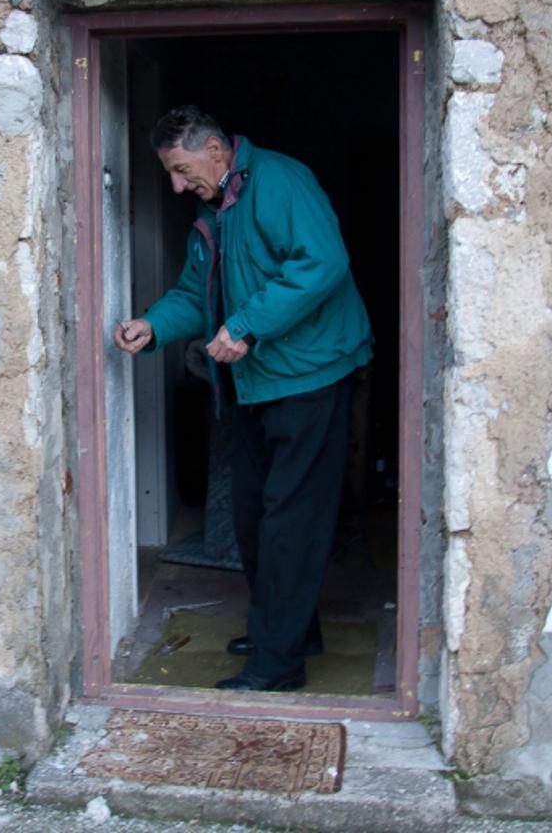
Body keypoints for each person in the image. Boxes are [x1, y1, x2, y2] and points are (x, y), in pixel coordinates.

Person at [113, 106, 373, 692]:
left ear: (214, 150)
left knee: (290, 522)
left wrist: (247, 324)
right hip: (253, 381)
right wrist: (153, 325)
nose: (177, 185)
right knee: (254, 517)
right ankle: (290, 633)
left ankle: (277, 666)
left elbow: (323, 263)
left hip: (310, 376)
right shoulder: (214, 211)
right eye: (170, 174)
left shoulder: (281, 181)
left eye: (181, 169)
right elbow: (195, 292)